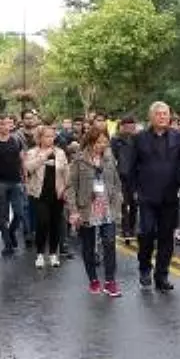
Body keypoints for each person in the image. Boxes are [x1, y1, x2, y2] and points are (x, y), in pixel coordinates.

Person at [131, 101, 180, 291]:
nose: (163, 117)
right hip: (147, 195)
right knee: (146, 233)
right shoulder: (139, 138)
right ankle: (144, 268)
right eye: (159, 114)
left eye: (165, 114)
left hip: (170, 195)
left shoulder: (178, 138)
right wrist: (133, 190)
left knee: (166, 237)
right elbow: (131, 166)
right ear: (151, 117)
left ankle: (161, 275)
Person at [65, 127, 123, 297]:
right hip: (87, 209)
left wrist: (118, 202)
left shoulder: (109, 158)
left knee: (109, 243)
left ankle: (110, 281)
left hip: (107, 207)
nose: (102, 145)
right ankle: (93, 280)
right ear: (90, 142)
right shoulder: (79, 160)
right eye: (98, 142)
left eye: (105, 141)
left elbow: (117, 183)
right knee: (88, 247)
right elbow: (71, 187)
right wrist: (73, 211)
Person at [23, 125, 69, 268]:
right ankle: (40, 254)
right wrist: (43, 157)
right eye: (47, 136)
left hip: (57, 193)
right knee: (42, 223)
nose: (50, 139)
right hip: (39, 194)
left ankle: (53, 254)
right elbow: (28, 167)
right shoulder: (32, 152)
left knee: (56, 224)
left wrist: (66, 189)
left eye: (52, 136)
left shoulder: (60, 152)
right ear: (40, 138)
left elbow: (66, 172)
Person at [0, 114, 26, 255]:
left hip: (16, 182)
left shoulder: (17, 140)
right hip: (0, 184)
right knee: (3, 218)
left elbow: (22, 160)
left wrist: (24, 178)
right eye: (1, 124)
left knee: (20, 214)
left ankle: (12, 232)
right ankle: (7, 244)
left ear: (11, 125)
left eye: (7, 123)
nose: (5, 126)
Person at [111, 116, 139, 242]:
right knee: (124, 203)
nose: (130, 129)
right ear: (122, 127)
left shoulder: (137, 139)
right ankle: (125, 228)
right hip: (120, 175)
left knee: (134, 203)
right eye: (127, 126)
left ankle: (132, 227)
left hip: (135, 176)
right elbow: (112, 158)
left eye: (132, 126)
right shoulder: (116, 140)